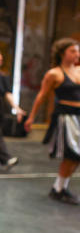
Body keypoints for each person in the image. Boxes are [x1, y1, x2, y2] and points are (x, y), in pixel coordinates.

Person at [25, 38, 80, 205]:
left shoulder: (79, 70)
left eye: (78, 51)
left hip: (79, 117)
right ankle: (58, 190)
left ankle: (60, 187)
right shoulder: (54, 73)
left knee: (77, 157)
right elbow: (41, 96)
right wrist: (31, 117)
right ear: (63, 53)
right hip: (65, 117)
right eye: (73, 51)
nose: (77, 54)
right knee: (71, 155)